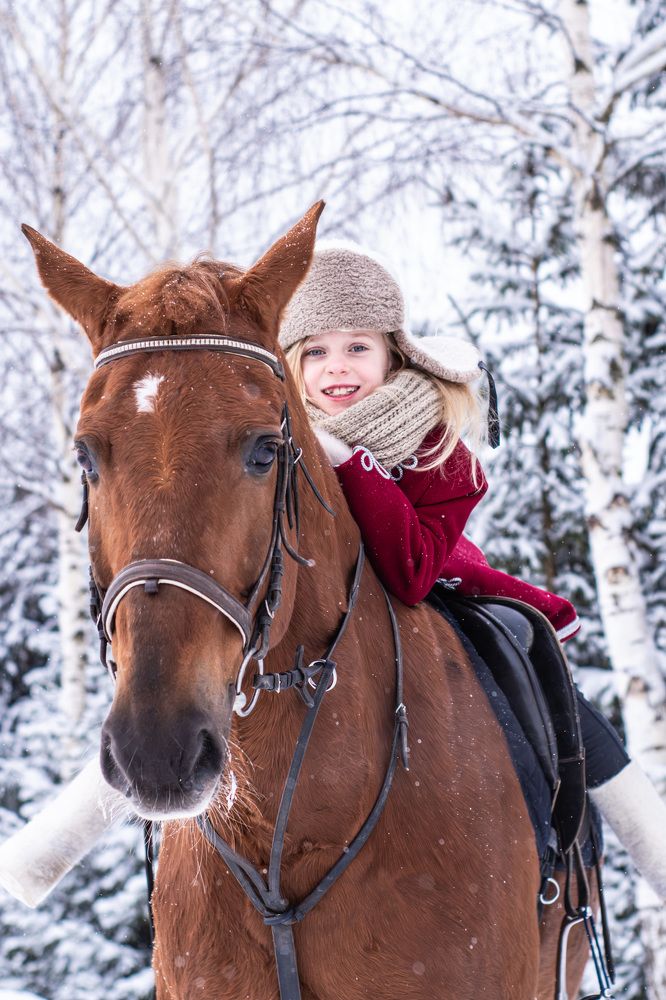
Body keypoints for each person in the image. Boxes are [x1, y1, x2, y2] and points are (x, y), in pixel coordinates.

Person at [279, 240, 666, 900]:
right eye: (315, 350)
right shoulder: (269, 444)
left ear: (393, 355)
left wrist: (348, 461)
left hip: (435, 592)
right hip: (309, 608)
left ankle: (646, 842)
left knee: (530, 660)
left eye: (356, 348)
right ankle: (78, 825)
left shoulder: (439, 449)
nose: (335, 368)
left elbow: (410, 570)